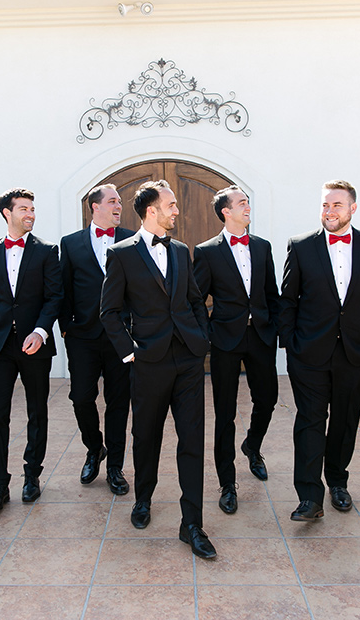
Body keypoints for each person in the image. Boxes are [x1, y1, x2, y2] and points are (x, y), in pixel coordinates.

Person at [100, 179, 216, 559]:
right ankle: (143, 499)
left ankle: (192, 524)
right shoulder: (121, 254)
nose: (176, 211)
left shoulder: (181, 251)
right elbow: (109, 312)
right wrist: (129, 352)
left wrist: (201, 340)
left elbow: (196, 300)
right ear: (152, 210)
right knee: (145, 436)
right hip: (147, 361)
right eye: (171, 205)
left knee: (192, 441)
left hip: (187, 360)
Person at [280, 180, 360, 522]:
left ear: (352, 208)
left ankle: (338, 483)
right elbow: (288, 301)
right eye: (325, 205)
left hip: (355, 354)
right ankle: (309, 496)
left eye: (337, 205)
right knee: (310, 422)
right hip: (310, 354)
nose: (330, 211)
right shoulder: (300, 247)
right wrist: (293, 347)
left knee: (345, 421)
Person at [193, 186, 280, 515]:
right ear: (225, 211)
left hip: (259, 336)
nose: (247, 207)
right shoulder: (207, 251)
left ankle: (252, 446)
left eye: (247, 202)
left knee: (268, 399)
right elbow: (196, 299)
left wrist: (274, 328)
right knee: (224, 413)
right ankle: (227, 483)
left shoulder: (261, 247)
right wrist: (208, 333)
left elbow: (271, 292)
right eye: (242, 203)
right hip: (225, 340)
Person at [0, 188, 61, 509]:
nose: (30, 214)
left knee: (36, 411)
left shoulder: (46, 251)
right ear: (7, 213)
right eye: (23, 208)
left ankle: (32, 475)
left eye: (32, 208)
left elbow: (54, 297)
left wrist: (40, 331)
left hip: (34, 345)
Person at [59, 184, 134, 495]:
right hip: (83, 336)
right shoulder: (71, 243)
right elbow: (63, 286)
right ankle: (94, 448)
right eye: (113, 201)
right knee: (81, 398)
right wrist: (66, 327)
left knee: (119, 402)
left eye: (119, 202)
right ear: (95, 206)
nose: (119, 206)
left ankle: (115, 465)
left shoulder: (131, 239)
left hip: (121, 337)